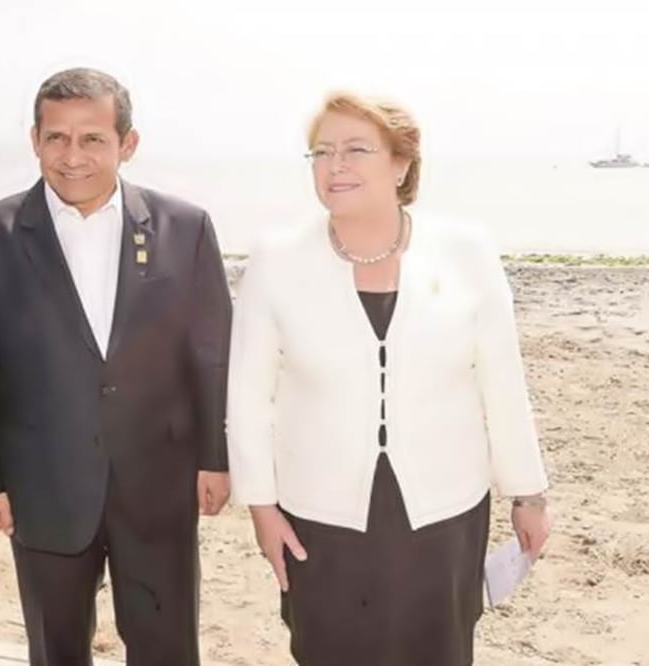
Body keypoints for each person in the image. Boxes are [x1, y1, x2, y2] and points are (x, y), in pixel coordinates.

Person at [226, 92, 553, 665]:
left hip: (444, 512)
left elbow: (503, 384)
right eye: (322, 152)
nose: (336, 165)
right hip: (319, 516)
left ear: (402, 164)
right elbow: (248, 398)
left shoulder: (465, 251)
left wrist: (528, 494)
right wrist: (261, 505)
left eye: (357, 149)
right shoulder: (277, 258)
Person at [0, 67, 232, 666]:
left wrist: (215, 457)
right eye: (56, 137)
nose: (72, 155)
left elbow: (209, 355)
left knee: (167, 649)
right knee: (55, 651)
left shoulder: (186, 228)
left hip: (159, 484)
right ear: (35, 140)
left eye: (92, 139)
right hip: (42, 491)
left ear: (126, 144)